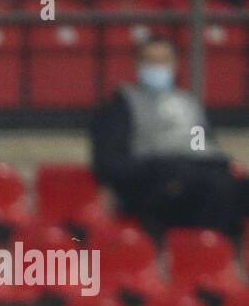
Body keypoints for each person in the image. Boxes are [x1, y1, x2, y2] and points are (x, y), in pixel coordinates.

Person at [91, 36, 246, 239]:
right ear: (138, 64)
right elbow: (111, 162)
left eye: (164, 60)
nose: (158, 67)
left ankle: (224, 254)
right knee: (214, 190)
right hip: (153, 185)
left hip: (199, 177)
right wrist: (160, 169)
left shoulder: (188, 104)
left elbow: (201, 148)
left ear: (175, 64)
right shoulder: (122, 106)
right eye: (151, 61)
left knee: (227, 188)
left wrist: (222, 163)